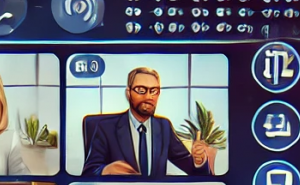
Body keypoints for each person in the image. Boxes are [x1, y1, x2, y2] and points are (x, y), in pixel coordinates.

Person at [81, 67, 214, 177]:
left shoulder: (163, 127)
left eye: (154, 91)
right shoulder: (106, 128)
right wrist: (106, 171)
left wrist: (199, 160)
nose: (148, 97)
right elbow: (88, 173)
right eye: (141, 90)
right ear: (128, 93)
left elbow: (193, 170)